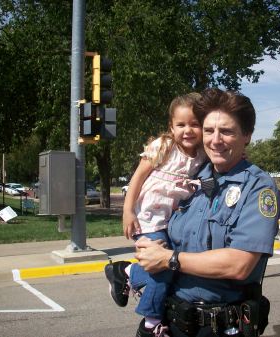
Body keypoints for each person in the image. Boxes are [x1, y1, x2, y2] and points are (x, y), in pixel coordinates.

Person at [135, 88, 280, 337]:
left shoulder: (258, 187)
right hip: (171, 321)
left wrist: (168, 259)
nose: (215, 140)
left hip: (218, 326)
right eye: (209, 130)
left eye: (226, 131)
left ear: (246, 135)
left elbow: (239, 264)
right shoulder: (191, 180)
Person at [105, 92, 207, 336]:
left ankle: (126, 272)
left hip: (170, 219)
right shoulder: (164, 145)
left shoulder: (202, 154)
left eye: (195, 124)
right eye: (181, 125)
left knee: (169, 264)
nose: (188, 130)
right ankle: (151, 323)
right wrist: (127, 211)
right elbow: (138, 177)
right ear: (171, 127)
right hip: (148, 216)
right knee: (164, 269)